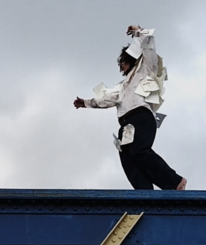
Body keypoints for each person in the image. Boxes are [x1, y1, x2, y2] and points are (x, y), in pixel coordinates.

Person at [74, 25, 187, 190]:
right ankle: (144, 192)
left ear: (131, 57)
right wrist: (85, 103)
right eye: (120, 63)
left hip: (141, 117)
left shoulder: (145, 69)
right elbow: (107, 99)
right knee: (128, 159)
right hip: (125, 124)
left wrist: (138, 31)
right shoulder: (122, 85)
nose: (121, 65)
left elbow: (149, 46)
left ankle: (174, 182)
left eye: (123, 61)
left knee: (140, 151)